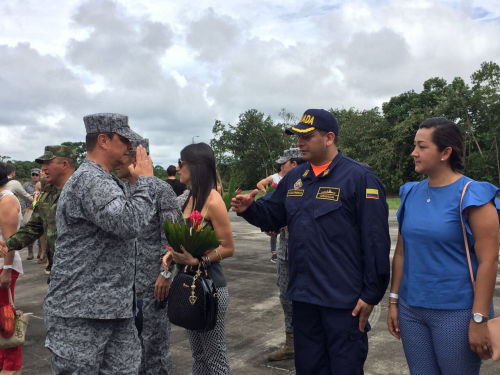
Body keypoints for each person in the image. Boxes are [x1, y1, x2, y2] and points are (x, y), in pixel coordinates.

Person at [232, 109, 391, 374]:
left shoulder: (359, 178)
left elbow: (375, 240)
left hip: (343, 301)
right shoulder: (295, 178)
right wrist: (249, 209)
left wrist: (371, 293)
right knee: (309, 367)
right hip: (304, 298)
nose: (299, 142)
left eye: (306, 136)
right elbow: (273, 216)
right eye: (297, 137)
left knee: (344, 368)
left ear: (329, 138)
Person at [41, 113, 156, 374]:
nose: (130, 146)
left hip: (114, 308)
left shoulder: (106, 180)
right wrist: (146, 181)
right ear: (103, 140)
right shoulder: (91, 180)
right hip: (81, 313)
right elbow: (129, 223)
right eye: (124, 139)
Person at [386, 117, 500, 374]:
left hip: (457, 313)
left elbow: (488, 262)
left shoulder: (473, 195)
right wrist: (393, 301)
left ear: (445, 152)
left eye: (422, 146)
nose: (414, 152)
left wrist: (479, 318)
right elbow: (402, 252)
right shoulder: (410, 193)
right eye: (414, 145)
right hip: (411, 309)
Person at [162, 143, 235, 374]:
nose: (179, 167)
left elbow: (228, 247)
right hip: (187, 286)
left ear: (195, 166)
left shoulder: (213, 200)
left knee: (215, 357)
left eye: (182, 163)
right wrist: (171, 255)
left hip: (209, 288)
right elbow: (185, 239)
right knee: (199, 357)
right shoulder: (188, 197)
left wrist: (198, 261)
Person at [116, 138, 179, 375]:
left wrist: (165, 273)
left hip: (153, 287)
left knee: (154, 349)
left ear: (136, 158)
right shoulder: (120, 190)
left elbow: (173, 238)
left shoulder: (161, 190)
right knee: (129, 350)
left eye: (121, 155)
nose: (115, 162)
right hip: (125, 287)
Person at [0, 146, 76, 281]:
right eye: (42, 164)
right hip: (59, 269)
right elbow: (33, 228)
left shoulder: (82, 191)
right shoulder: (47, 195)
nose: (43, 168)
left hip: (84, 270)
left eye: (48, 163)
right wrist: (8, 244)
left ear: (64, 164)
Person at [267, 148, 305, 362]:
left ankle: (307, 341)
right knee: (285, 298)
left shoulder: (311, 184)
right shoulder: (287, 186)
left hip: (307, 253)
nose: (282, 168)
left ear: (295, 164)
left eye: (285, 164)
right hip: (285, 252)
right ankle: (291, 342)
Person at [0, 163, 23, 375]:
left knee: (6, 317)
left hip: (2, 267)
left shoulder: (6, 199)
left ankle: (11, 365)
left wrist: (7, 269)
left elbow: (10, 241)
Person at [257, 156, 286, 263]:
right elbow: (260, 184)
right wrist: (267, 193)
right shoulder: (274, 177)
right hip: (276, 207)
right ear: (282, 167)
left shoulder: (290, 176)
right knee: (274, 231)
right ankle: (273, 252)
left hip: (286, 206)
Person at [21, 168, 40, 261]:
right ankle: (30, 251)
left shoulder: (42, 184)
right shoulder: (26, 185)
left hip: (40, 209)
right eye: (33, 174)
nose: (35, 176)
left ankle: (41, 251)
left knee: (41, 231)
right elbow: (22, 198)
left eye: (36, 174)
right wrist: (22, 210)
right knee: (29, 230)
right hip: (29, 209)